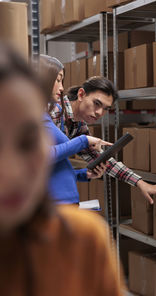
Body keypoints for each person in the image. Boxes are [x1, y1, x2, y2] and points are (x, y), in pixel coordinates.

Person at [0, 42, 126, 296]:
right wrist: (81, 143)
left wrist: (83, 174)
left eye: (27, 143)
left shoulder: (86, 238)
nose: (13, 171)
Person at [46, 59, 156, 203]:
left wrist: (140, 183)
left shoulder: (78, 126)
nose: (99, 113)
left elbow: (103, 161)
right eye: (96, 104)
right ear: (81, 95)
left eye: (105, 108)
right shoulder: (52, 109)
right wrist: (83, 141)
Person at [40, 55, 111, 204]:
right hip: (52, 204)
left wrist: (83, 174)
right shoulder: (34, 115)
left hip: (63, 203)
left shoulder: (43, 115)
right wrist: (83, 141)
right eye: (58, 80)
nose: (61, 87)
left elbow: (54, 169)